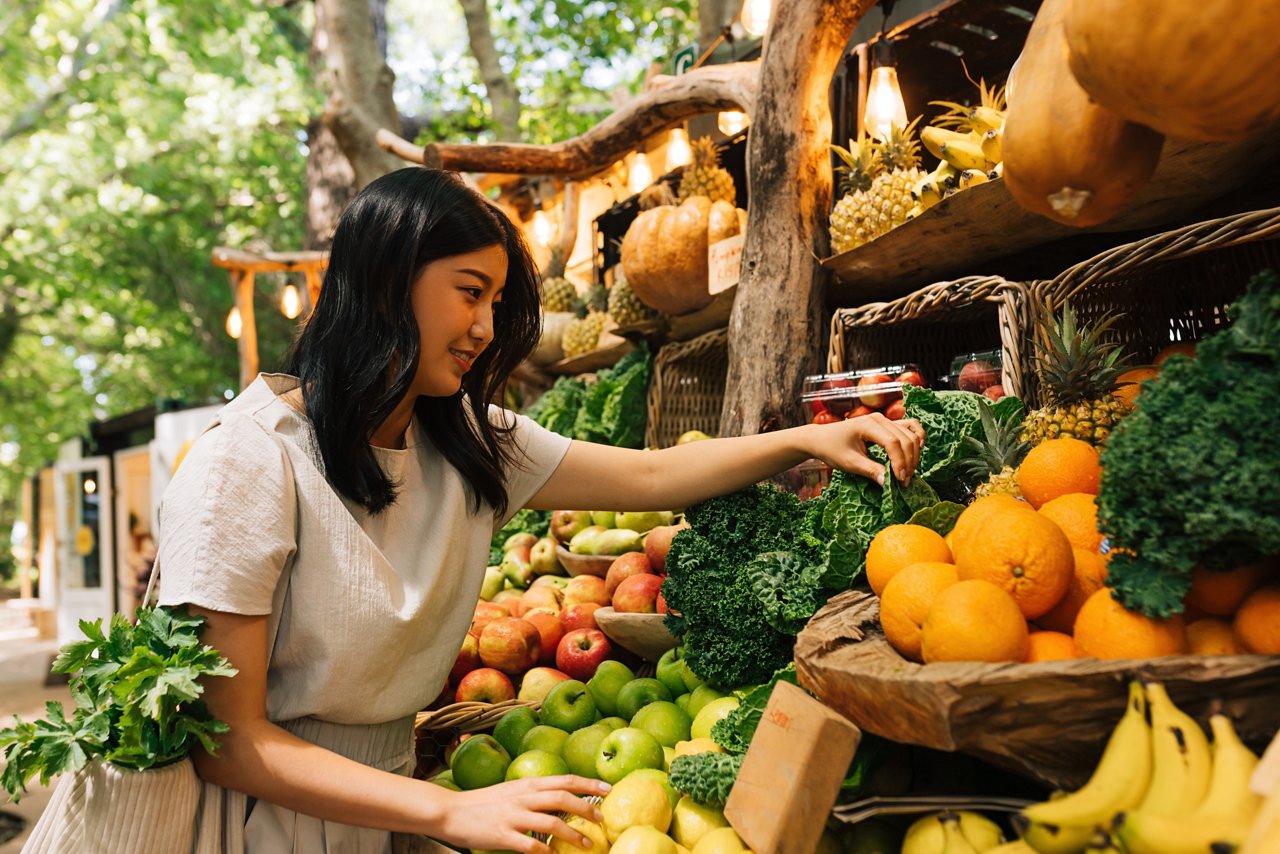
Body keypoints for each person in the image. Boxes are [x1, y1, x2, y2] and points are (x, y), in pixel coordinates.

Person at [156, 168, 924, 854]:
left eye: (495, 300)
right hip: (261, 823)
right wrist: (446, 813)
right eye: (468, 292)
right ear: (389, 282)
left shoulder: (466, 444)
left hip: (396, 809)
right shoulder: (248, 461)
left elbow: (660, 474)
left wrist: (813, 440)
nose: (487, 328)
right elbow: (230, 743)